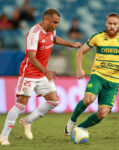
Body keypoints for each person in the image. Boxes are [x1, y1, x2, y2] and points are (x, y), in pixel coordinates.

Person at [0, 9, 81, 145]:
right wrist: (46, 71)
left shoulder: (51, 30)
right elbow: (31, 58)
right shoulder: (34, 33)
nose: (56, 25)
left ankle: (27, 121)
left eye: (58, 23)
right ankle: (3, 136)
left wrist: (71, 44)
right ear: (46, 20)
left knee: (54, 101)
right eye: (54, 22)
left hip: (42, 74)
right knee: (20, 105)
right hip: (29, 74)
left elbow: (55, 39)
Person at [64, 13, 119, 136]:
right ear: (106, 24)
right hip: (98, 76)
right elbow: (81, 52)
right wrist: (79, 69)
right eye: (110, 23)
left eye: (115, 24)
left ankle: (79, 128)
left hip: (113, 82)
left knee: (102, 113)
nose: (112, 26)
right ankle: (72, 120)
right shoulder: (97, 37)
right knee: (88, 99)